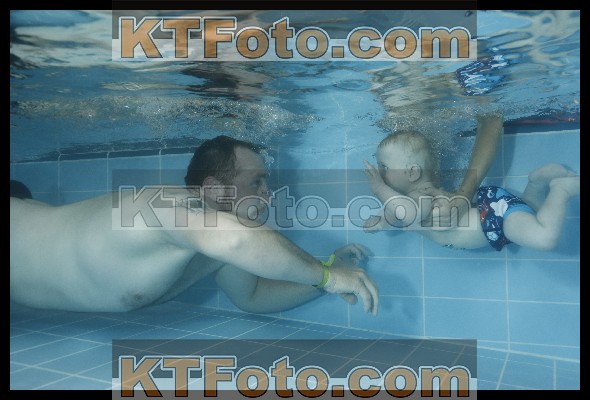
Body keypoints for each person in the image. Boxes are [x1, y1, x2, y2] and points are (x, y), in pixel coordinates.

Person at [10, 136, 378, 315]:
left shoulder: (211, 244)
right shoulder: (164, 204)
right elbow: (238, 241)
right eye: (257, 182)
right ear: (214, 190)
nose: (269, 195)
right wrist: (328, 277)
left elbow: (253, 298)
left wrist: (329, 271)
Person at [363, 127, 580, 252]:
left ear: (412, 172)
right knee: (533, 214)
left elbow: (408, 212)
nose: (380, 172)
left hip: (492, 217)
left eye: (384, 167)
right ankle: (536, 184)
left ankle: (561, 190)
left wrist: (379, 188)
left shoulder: (422, 195)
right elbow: (396, 212)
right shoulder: (406, 199)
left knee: (545, 238)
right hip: (493, 212)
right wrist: (380, 222)